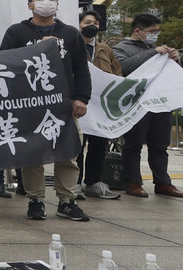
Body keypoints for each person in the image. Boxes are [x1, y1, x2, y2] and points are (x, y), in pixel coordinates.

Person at [0, 0, 91, 221]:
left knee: (68, 151)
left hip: (63, 104)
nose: (46, 1)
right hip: (30, 104)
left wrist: (81, 98)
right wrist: (38, 50)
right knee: (33, 152)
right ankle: (35, 200)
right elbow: (4, 64)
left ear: (57, 4)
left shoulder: (70, 33)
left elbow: (81, 68)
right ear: (30, 5)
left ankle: (67, 200)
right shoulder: (16, 32)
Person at [113, 13, 183, 198]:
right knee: (133, 144)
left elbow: (172, 74)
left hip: (160, 104)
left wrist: (175, 59)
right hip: (136, 105)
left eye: (157, 32)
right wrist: (153, 53)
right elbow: (123, 68)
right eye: (152, 31)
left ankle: (163, 182)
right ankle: (134, 182)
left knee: (160, 145)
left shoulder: (159, 49)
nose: (155, 35)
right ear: (138, 31)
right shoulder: (121, 48)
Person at [76, 10, 122, 200]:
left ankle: (93, 182)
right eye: (88, 22)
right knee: (77, 145)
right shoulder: (72, 46)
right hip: (79, 105)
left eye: (95, 23)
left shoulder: (105, 49)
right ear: (79, 25)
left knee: (98, 145)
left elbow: (117, 74)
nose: (92, 26)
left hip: (101, 108)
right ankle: (75, 184)